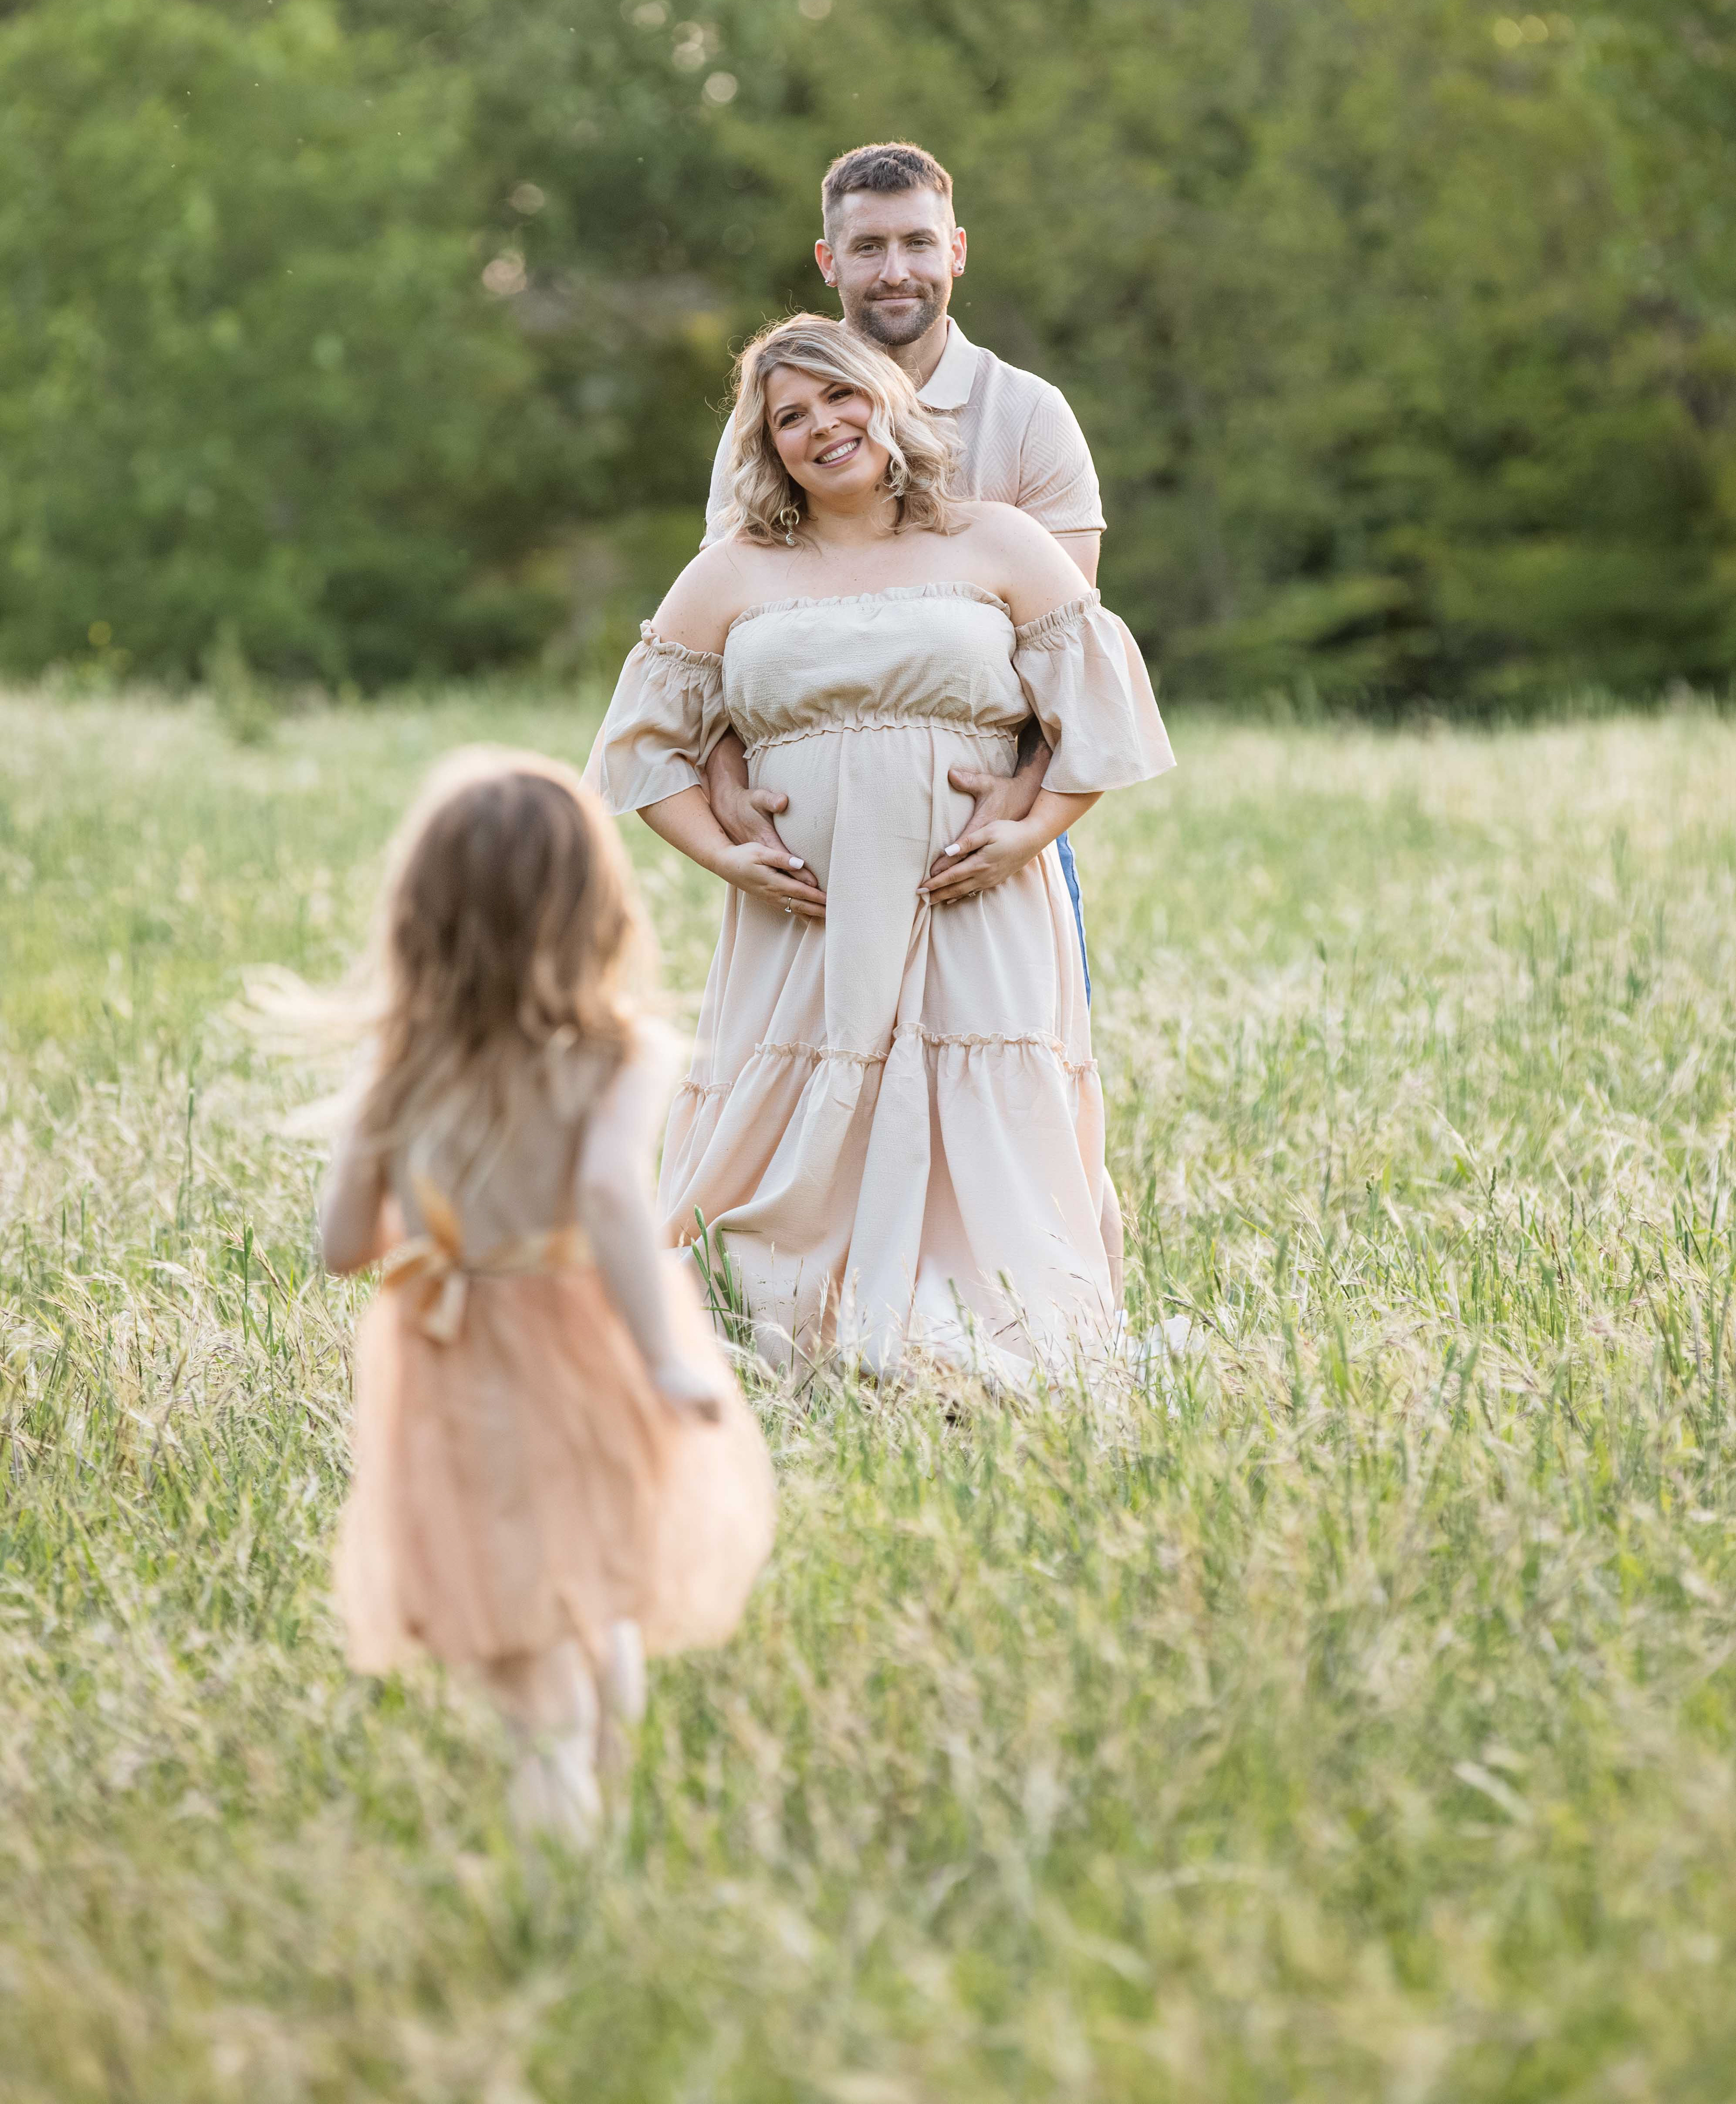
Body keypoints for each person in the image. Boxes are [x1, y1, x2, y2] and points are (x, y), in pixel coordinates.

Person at [586, 314, 1173, 1379]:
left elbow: (1099, 706)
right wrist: (725, 856)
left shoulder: (996, 539)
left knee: (978, 1095)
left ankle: (986, 1330)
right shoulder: (734, 571)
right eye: (791, 418)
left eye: (841, 397)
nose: (822, 427)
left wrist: (1028, 833)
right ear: (768, 447)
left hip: (975, 899)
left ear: (889, 402)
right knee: (797, 1108)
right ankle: (781, 1317)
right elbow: (643, 747)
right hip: (806, 915)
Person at [314, 750, 775, 1841]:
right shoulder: (622, 1055)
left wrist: (446, 1227)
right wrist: (665, 1355)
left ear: (422, 914)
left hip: (456, 1354)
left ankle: (558, 1850)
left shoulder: (402, 1063)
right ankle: (599, 1807)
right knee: (604, 1569)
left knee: (522, 1608)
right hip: (588, 1342)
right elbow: (612, 1195)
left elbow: (340, 1246)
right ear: (592, 909)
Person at [700, 141, 1105, 989]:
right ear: (829, 263)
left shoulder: (1028, 415)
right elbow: (718, 634)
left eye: (918, 243)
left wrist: (1025, 803)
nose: (896, 272)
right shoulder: (769, 425)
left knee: (1012, 1055)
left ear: (956, 250)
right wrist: (726, 783)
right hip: (811, 846)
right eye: (868, 248)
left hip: (983, 830)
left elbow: (1072, 659)